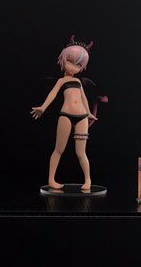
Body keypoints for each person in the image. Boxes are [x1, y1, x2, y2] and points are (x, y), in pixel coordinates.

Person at [31, 36, 98, 190]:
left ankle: (88, 180)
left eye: (78, 64)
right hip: (66, 115)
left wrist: (88, 113)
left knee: (81, 152)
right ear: (63, 60)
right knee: (59, 149)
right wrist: (43, 107)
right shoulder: (61, 81)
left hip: (82, 117)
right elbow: (52, 94)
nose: (74, 67)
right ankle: (51, 179)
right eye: (70, 61)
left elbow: (84, 98)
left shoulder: (79, 82)